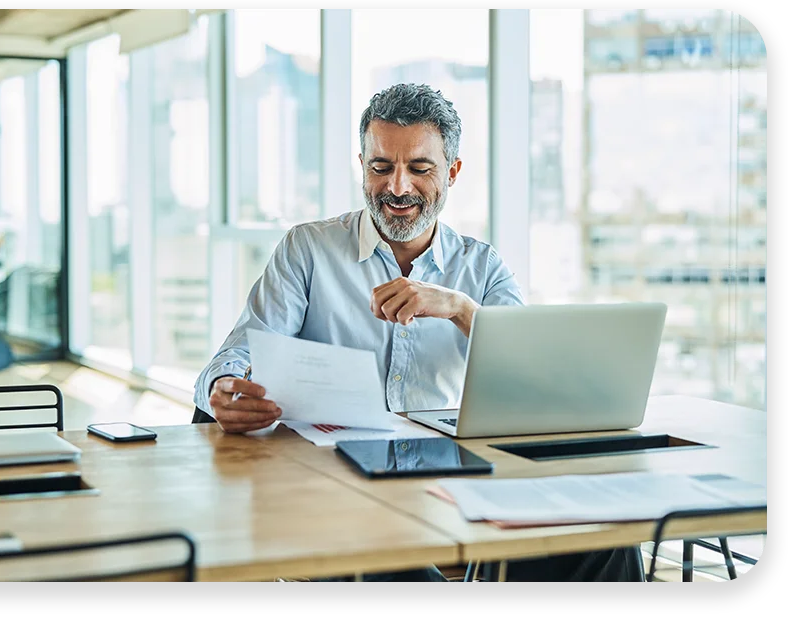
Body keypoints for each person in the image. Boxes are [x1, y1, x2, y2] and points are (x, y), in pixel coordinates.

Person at [194, 83, 644, 582]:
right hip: (330, 480)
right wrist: (223, 388)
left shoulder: (481, 267)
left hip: (451, 477)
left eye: (420, 169)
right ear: (362, 165)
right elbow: (238, 352)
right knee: (401, 573)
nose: (398, 188)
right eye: (381, 167)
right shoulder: (308, 250)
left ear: (452, 171)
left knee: (607, 542)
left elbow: (541, 375)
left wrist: (458, 307)